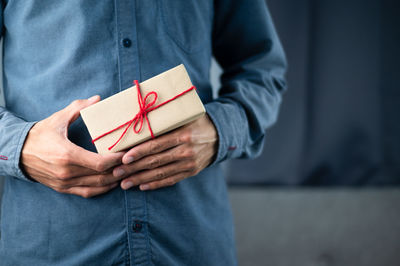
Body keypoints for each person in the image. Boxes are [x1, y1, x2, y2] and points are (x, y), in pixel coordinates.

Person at [0, 0, 286, 265]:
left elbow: (263, 71)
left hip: (190, 243)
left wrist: (219, 129)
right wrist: (19, 147)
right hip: (51, 248)